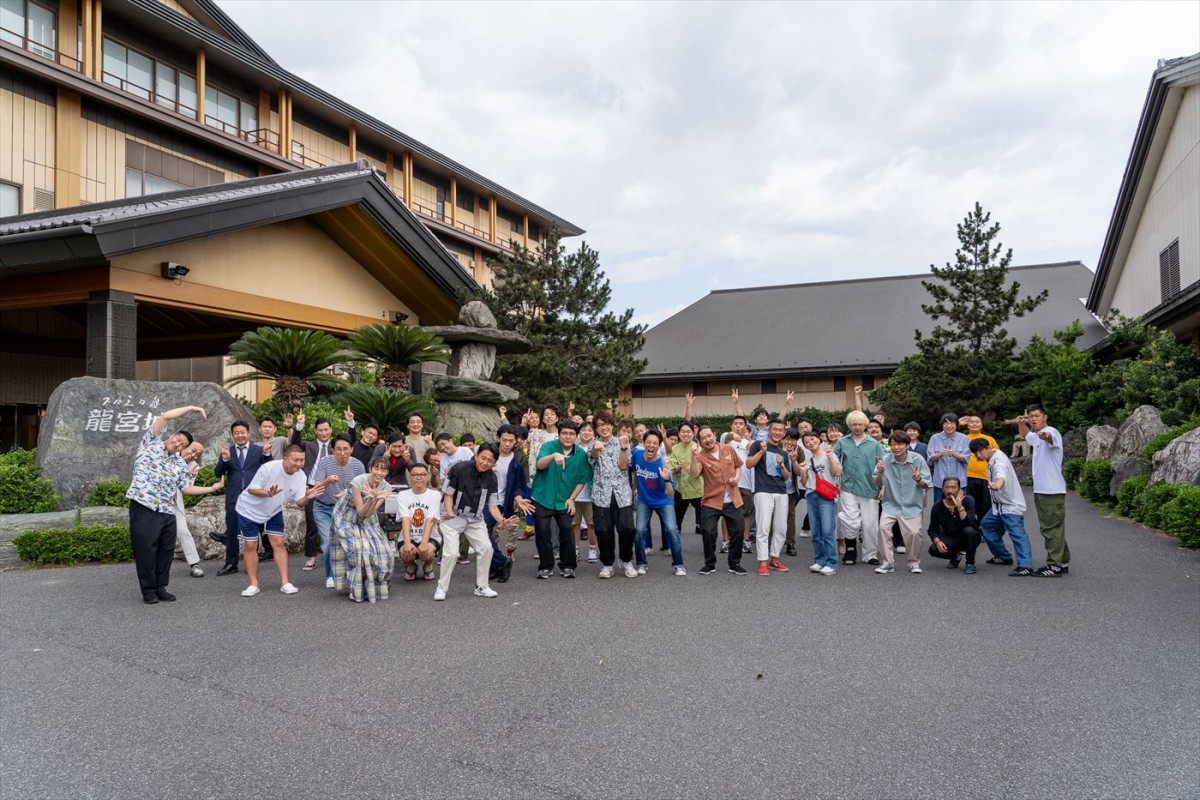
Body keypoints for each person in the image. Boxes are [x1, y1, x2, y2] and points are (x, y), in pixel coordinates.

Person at [126, 405, 206, 604]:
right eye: (178, 439)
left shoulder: (179, 464)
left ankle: (161, 587)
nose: (179, 443)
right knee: (146, 550)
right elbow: (165, 416)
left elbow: (186, 488)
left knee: (165, 551)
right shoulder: (149, 444)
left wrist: (212, 488)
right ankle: (148, 590)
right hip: (145, 507)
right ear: (172, 436)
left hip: (167, 511)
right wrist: (192, 408)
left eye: (183, 444)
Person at [235, 444, 334, 597]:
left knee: (279, 543)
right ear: (285, 458)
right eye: (295, 460)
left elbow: (299, 502)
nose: (299, 464)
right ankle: (253, 584)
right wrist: (268, 493)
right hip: (248, 509)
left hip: (273, 511)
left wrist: (307, 497)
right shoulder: (269, 468)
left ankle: (285, 582)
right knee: (250, 545)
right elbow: (252, 489)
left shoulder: (301, 476)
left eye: (302, 460)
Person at [436, 443, 510, 600]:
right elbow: (448, 494)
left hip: (475, 519)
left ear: (494, 463)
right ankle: (442, 587)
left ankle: (481, 586)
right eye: (483, 458)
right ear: (476, 455)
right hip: (454, 515)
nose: (485, 463)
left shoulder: (492, 478)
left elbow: (493, 506)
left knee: (486, 548)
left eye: (490, 461)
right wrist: (449, 512)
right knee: (451, 553)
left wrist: (502, 521)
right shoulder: (459, 468)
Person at [530, 420, 592, 579]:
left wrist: (572, 498)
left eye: (572, 433)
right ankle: (545, 566)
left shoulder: (580, 454)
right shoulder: (549, 447)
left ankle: (568, 565)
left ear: (576, 436)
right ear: (559, 434)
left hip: (564, 499)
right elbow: (540, 465)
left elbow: (582, 479)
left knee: (567, 531)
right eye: (564, 433)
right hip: (543, 497)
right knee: (543, 532)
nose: (568, 436)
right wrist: (553, 456)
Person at [330, 456, 395, 603]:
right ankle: (356, 590)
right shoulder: (358, 481)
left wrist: (375, 499)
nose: (379, 472)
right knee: (358, 550)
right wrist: (371, 498)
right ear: (370, 469)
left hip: (368, 518)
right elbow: (360, 511)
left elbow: (368, 514)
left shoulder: (385, 487)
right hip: (346, 516)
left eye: (383, 469)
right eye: (376, 468)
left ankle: (375, 588)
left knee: (383, 550)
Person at [213, 420, 273, 575]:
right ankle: (231, 563)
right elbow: (218, 473)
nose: (240, 435)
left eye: (242, 432)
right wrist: (225, 459)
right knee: (232, 529)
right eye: (236, 433)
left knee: (253, 528)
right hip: (234, 496)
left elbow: (269, 470)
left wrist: (267, 454)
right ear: (233, 435)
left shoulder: (258, 450)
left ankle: (251, 563)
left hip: (254, 496)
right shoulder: (228, 451)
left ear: (248, 433)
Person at [1016, 404, 1070, 577]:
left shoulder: (1051, 432)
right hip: (1042, 490)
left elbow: (1049, 438)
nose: (1033, 419)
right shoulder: (1035, 436)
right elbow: (1026, 435)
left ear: (1044, 417)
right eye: (1031, 416)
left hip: (1051, 491)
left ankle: (1054, 565)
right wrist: (1020, 422)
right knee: (1055, 527)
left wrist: (1045, 435)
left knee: (1050, 528)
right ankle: (1062, 561)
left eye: (1037, 416)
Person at [969, 437, 1034, 576]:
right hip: (997, 507)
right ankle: (1003, 556)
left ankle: (1025, 565)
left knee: (1017, 534)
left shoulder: (999, 462)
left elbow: (1001, 476)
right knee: (987, 525)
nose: (979, 455)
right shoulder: (995, 454)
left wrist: (997, 485)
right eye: (975, 453)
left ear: (988, 448)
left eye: (981, 451)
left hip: (1010, 506)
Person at [309, 436, 366, 588]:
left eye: (345, 449)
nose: (342, 453)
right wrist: (328, 481)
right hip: (323, 507)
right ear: (332, 450)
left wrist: (347, 493)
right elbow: (317, 488)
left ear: (351, 449)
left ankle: (348, 572)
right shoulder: (324, 462)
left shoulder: (358, 466)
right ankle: (330, 575)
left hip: (347, 508)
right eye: (338, 449)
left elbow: (363, 490)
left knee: (349, 541)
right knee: (328, 542)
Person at [873, 430, 932, 575]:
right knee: (883, 528)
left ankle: (913, 562)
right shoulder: (885, 460)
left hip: (912, 504)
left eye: (900, 444)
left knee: (913, 533)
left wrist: (918, 479)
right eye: (893, 444)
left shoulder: (918, 459)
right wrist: (880, 473)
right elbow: (877, 483)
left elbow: (927, 485)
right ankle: (887, 563)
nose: (896, 448)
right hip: (890, 503)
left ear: (907, 445)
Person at [688, 425, 744, 575]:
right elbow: (694, 473)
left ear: (714, 434)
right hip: (711, 500)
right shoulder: (700, 456)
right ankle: (709, 563)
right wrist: (693, 456)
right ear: (700, 441)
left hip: (732, 499)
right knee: (708, 531)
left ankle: (734, 563)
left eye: (709, 436)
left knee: (739, 530)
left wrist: (736, 478)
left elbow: (739, 466)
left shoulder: (728, 449)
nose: (707, 439)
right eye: (703, 438)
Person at [588, 411, 636, 579]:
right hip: (602, 494)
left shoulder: (622, 442)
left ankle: (626, 560)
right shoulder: (593, 444)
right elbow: (591, 458)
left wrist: (623, 447)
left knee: (627, 529)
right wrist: (595, 450)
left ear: (612, 425)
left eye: (607, 423)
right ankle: (607, 564)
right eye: (600, 425)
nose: (604, 427)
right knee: (603, 530)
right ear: (596, 428)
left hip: (622, 493)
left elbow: (624, 466)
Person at [288, 413, 336, 572]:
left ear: (331, 430)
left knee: (336, 523)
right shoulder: (309, 446)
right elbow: (294, 444)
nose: (323, 433)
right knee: (312, 523)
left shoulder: (336, 447)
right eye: (320, 430)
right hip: (312, 488)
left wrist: (351, 424)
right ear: (316, 431)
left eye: (326, 429)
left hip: (333, 488)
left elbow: (351, 442)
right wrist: (299, 425)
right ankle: (311, 557)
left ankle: (336, 556)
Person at [745, 418, 793, 575]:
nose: (778, 432)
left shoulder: (783, 453)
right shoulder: (758, 445)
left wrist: (782, 465)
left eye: (781, 430)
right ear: (769, 430)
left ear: (784, 433)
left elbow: (786, 477)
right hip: (763, 491)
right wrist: (761, 452)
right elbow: (749, 464)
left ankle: (775, 559)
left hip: (781, 492)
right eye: (775, 429)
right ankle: (763, 562)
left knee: (781, 528)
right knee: (763, 527)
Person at [834, 411, 881, 566]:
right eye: (854, 424)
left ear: (865, 425)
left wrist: (883, 486)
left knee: (870, 523)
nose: (857, 427)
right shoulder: (843, 442)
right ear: (850, 426)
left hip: (869, 487)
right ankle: (851, 549)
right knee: (850, 520)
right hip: (848, 486)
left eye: (860, 424)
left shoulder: (874, 444)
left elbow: (882, 466)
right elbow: (834, 460)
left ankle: (870, 554)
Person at [489, 424, 533, 583]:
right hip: (483, 501)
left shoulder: (517, 460)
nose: (507, 443)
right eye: (504, 440)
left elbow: (518, 486)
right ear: (498, 439)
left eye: (511, 441)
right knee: (486, 536)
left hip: (501, 502)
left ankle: (497, 566)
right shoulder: (488, 454)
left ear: (516, 441)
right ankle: (500, 564)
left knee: (486, 535)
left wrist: (519, 499)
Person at [631, 430, 678, 575]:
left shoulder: (663, 463)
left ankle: (678, 564)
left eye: (655, 443)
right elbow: (635, 473)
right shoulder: (637, 455)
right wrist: (635, 488)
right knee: (639, 530)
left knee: (671, 530)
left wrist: (666, 479)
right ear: (643, 444)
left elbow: (670, 494)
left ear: (659, 446)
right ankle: (641, 563)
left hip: (664, 500)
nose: (651, 445)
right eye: (648, 442)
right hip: (644, 499)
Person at [175, 442, 225, 577]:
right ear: (185, 446)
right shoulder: (170, 454)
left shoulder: (193, 466)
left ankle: (194, 564)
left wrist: (212, 488)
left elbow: (186, 489)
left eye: (197, 454)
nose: (193, 455)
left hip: (173, 502)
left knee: (183, 531)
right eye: (192, 450)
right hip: (154, 501)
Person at [796, 431, 841, 576]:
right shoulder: (808, 461)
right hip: (811, 495)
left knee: (827, 530)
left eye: (812, 439)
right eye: (807, 442)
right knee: (816, 531)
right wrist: (803, 472)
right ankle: (819, 560)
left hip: (826, 496)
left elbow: (838, 472)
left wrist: (830, 457)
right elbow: (804, 483)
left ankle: (831, 563)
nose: (810, 443)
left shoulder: (829, 454)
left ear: (818, 440)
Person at [396, 462, 441, 582]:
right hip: (408, 535)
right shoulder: (402, 495)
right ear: (410, 476)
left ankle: (428, 565)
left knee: (427, 552)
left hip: (429, 536)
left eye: (422, 474)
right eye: (415, 475)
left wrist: (424, 543)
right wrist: (406, 542)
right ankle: (411, 566)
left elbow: (430, 519)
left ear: (427, 476)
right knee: (406, 552)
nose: (419, 477)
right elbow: (405, 518)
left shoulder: (435, 495)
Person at [926, 477, 981, 574]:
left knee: (969, 531)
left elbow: (970, 523)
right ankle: (954, 557)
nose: (950, 490)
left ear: (960, 489)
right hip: (950, 537)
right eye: (947, 487)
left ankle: (970, 563)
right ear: (942, 488)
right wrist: (938, 541)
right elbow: (932, 529)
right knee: (933, 549)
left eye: (954, 487)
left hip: (969, 537)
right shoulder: (937, 507)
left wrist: (960, 507)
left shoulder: (968, 500)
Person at [927, 413, 971, 505]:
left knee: (960, 508)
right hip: (940, 482)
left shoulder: (964, 438)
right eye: (946, 423)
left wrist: (954, 454)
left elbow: (966, 459)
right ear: (942, 425)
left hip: (959, 483)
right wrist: (940, 454)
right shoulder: (935, 438)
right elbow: (930, 459)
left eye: (952, 423)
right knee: (939, 508)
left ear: (956, 425)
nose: (949, 426)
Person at [670, 421, 704, 538]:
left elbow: (703, 469)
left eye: (688, 432)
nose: (686, 434)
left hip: (697, 490)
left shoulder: (698, 449)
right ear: (679, 434)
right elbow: (672, 468)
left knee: (705, 522)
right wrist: (679, 467)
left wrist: (693, 468)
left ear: (693, 433)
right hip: (681, 489)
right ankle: (673, 546)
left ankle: (708, 548)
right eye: (683, 432)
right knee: (676, 522)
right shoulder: (675, 448)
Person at [963, 416, 997, 521]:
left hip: (985, 477)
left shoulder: (989, 439)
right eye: (972, 422)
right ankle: (972, 530)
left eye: (977, 422)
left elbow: (996, 456)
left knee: (985, 506)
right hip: (967, 476)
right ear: (967, 425)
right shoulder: (963, 438)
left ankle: (984, 529)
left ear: (981, 425)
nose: (974, 424)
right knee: (969, 505)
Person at [574, 421, 598, 562]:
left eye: (590, 430)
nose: (587, 432)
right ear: (579, 432)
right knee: (574, 524)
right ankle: (575, 550)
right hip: (574, 493)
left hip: (590, 493)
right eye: (584, 430)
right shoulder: (573, 448)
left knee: (591, 524)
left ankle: (592, 549)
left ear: (594, 433)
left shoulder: (597, 447)